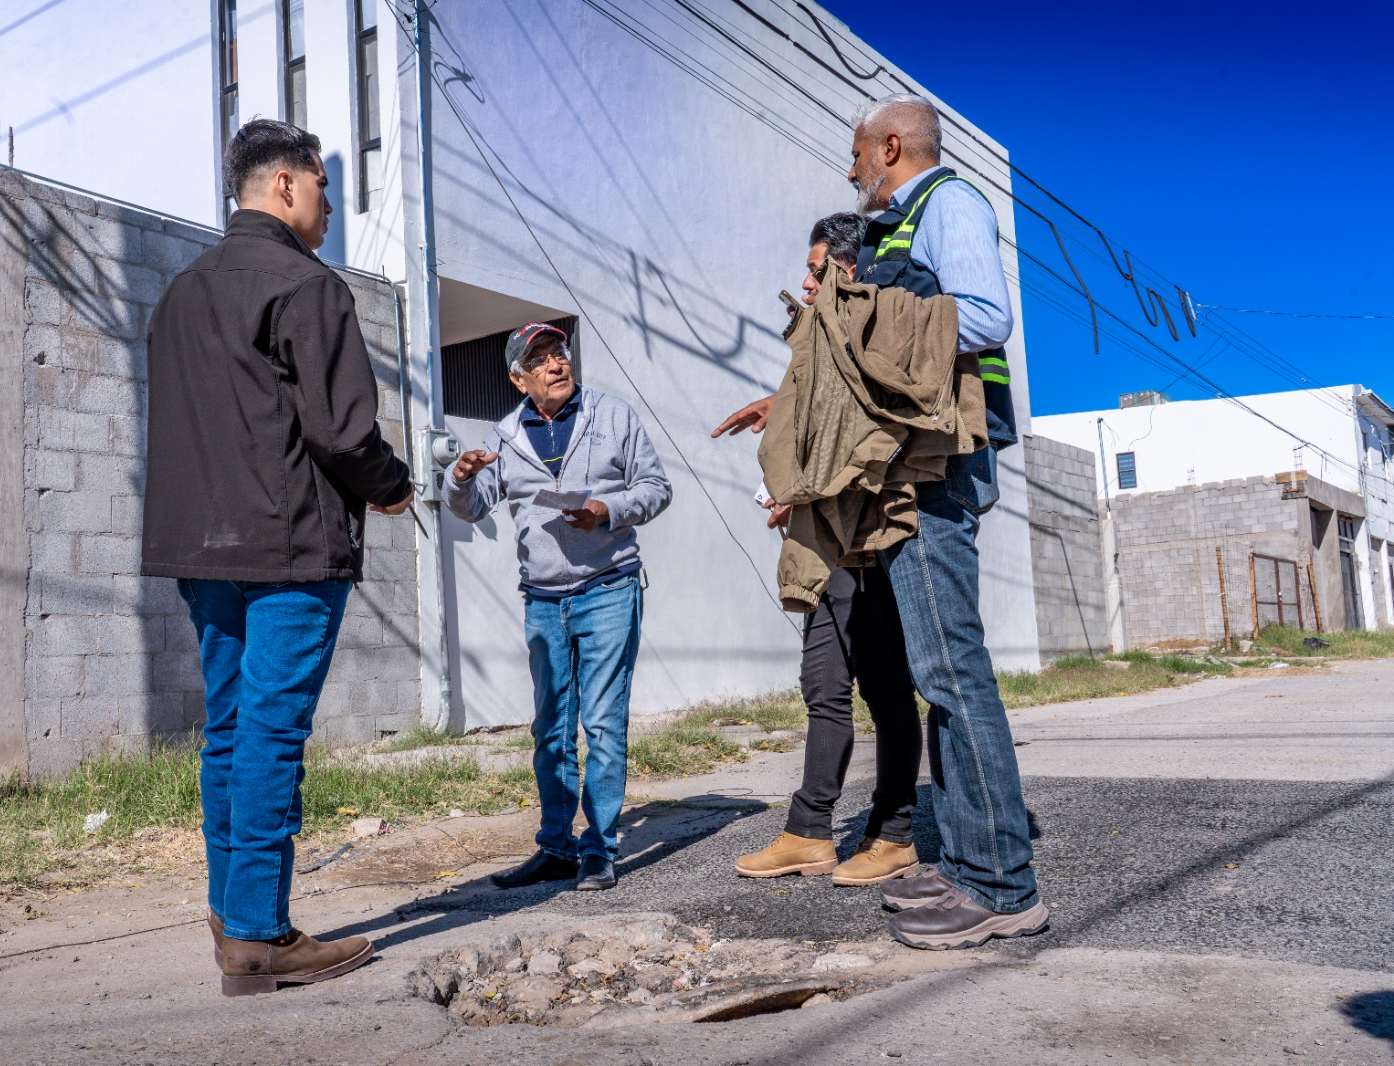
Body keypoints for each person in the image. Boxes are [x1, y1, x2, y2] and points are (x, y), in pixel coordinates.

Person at [714, 95, 1048, 950]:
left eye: (858, 153)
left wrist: (854, 320)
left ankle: (1001, 885)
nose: (852, 168)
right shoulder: (900, 227)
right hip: (911, 469)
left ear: (891, 146)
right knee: (939, 674)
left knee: (951, 672)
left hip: (935, 469)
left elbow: (984, 317)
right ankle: (970, 866)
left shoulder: (948, 204)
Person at [141, 118, 413, 995]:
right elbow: (343, 432)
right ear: (286, 184)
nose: (330, 204)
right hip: (288, 544)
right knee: (270, 733)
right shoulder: (306, 285)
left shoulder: (181, 293)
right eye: (323, 185)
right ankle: (260, 936)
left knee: (229, 728)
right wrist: (391, 485)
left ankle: (233, 915)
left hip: (202, 547)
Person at [722, 213, 925, 889]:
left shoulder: (873, 327)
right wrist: (780, 411)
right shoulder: (820, 336)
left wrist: (809, 487)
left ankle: (893, 833)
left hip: (874, 535)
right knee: (824, 684)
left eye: (816, 272)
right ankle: (810, 833)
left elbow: (871, 423)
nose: (805, 285)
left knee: (886, 689)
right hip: (829, 537)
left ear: (848, 269)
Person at [444, 324, 671, 892]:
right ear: (518, 379)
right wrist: (460, 478)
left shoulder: (612, 415)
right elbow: (473, 506)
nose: (555, 364)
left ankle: (599, 848)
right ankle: (556, 847)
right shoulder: (506, 435)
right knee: (550, 729)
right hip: (543, 599)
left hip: (608, 588)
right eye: (539, 360)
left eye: (559, 353)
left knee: (602, 723)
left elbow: (656, 487)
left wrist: (606, 510)